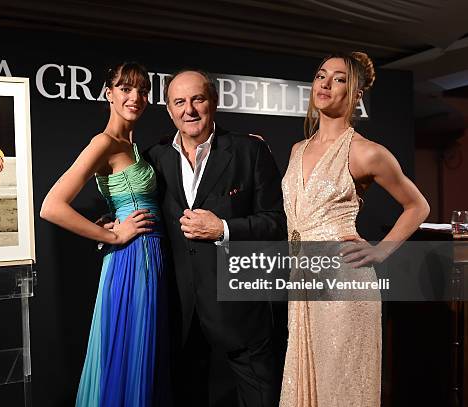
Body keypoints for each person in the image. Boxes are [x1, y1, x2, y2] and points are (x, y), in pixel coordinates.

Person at [279, 52, 430, 406]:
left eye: (339, 78)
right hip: (303, 282)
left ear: (357, 93)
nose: (326, 84)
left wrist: (380, 250)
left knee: (341, 388)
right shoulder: (296, 150)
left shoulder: (366, 153)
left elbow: (418, 206)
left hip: (343, 287)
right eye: (320, 76)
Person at [143, 70, 287, 406]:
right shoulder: (155, 158)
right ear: (168, 109)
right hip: (182, 314)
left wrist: (223, 229)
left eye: (198, 99)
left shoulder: (250, 151)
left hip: (242, 312)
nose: (189, 110)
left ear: (214, 102)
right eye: (179, 102)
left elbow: (277, 223)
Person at [40, 62, 170, 406]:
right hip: (130, 261)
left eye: (142, 90)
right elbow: (52, 206)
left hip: (150, 258)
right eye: (126, 89)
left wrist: (108, 220)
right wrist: (111, 235)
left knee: (144, 354)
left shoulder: (134, 145)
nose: (136, 97)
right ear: (108, 94)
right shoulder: (105, 142)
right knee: (128, 352)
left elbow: (124, 194)